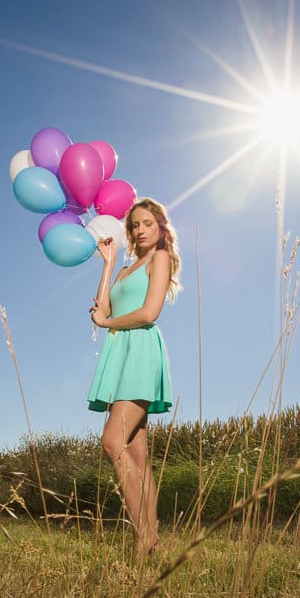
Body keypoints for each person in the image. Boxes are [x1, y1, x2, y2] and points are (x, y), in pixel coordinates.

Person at [88, 197, 181, 559]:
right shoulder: (127, 269)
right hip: (120, 354)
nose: (140, 230)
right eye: (135, 225)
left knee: (112, 441)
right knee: (137, 456)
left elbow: (148, 312)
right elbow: (102, 309)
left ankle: (144, 539)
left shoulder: (161, 258)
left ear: (160, 226)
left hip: (140, 350)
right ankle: (152, 543)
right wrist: (109, 264)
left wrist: (107, 323)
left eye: (146, 223)